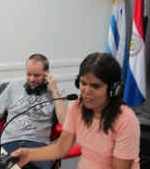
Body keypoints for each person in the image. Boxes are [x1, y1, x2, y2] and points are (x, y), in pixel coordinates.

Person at [11, 52, 140, 169]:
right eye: (83, 83)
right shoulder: (76, 106)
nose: (86, 91)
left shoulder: (126, 120)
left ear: (113, 89)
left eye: (95, 86)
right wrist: (30, 154)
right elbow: (61, 148)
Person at [0, 54, 69, 169]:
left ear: (47, 73)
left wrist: (54, 90)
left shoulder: (58, 93)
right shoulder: (13, 87)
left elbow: (65, 122)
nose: (31, 79)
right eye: (28, 74)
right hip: (10, 142)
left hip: (38, 146)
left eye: (36, 75)